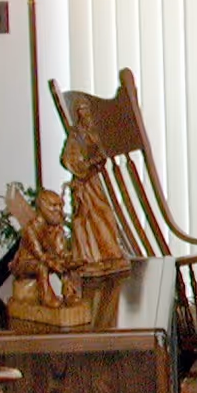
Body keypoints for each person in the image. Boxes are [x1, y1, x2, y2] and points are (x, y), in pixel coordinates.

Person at [61, 97, 129, 277]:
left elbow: (101, 151)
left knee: (104, 213)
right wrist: (83, 166)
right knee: (86, 218)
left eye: (87, 110)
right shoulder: (76, 136)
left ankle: (109, 253)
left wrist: (97, 160)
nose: (85, 114)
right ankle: (91, 256)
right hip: (83, 181)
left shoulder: (92, 133)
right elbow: (67, 159)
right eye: (81, 110)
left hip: (93, 179)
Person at [8, 187, 86, 309]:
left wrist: (71, 260)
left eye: (60, 205)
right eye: (54, 206)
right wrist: (54, 263)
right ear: (43, 206)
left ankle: (69, 294)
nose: (58, 210)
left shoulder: (56, 229)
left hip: (46, 260)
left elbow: (60, 252)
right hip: (25, 264)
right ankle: (46, 297)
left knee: (65, 264)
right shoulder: (32, 228)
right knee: (42, 266)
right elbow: (39, 255)